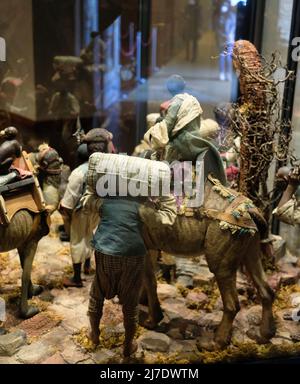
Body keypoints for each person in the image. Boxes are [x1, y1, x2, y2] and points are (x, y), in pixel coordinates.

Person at [60, 128, 114, 288]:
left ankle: (76, 278)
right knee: (91, 236)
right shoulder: (107, 170)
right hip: (98, 210)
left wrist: (65, 210)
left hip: (81, 211)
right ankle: (88, 266)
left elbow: (69, 199)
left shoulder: (78, 172)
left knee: (77, 240)